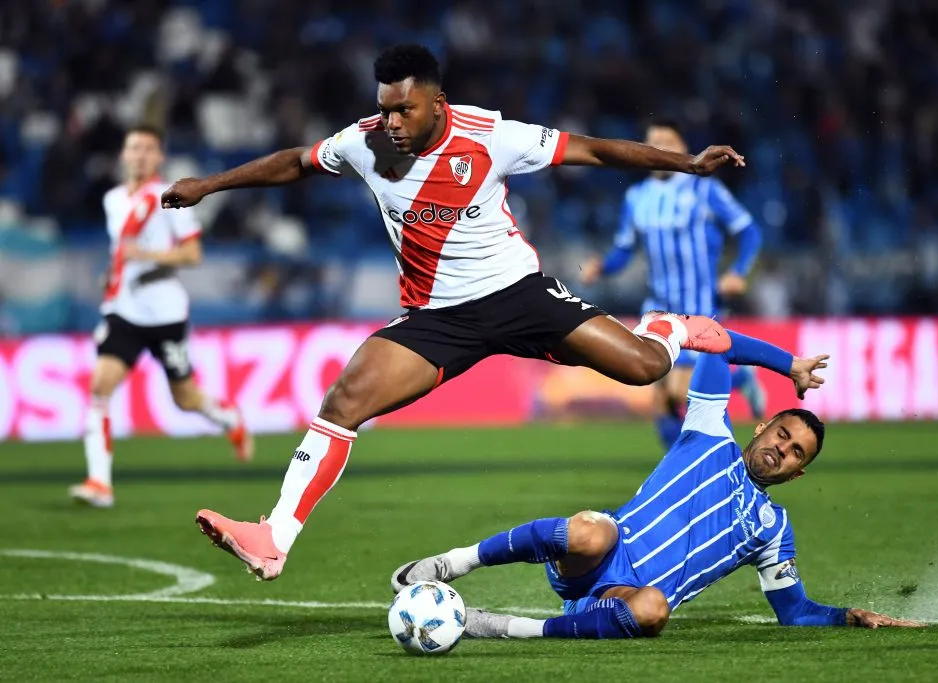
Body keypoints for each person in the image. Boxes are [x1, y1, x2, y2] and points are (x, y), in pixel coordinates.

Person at [161, 44, 745, 580]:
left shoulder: (492, 135)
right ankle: (274, 536)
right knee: (344, 401)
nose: (391, 123)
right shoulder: (363, 142)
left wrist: (686, 163)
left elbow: (590, 149)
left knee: (645, 367)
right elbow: (294, 162)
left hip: (519, 295)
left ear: (437, 104)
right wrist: (209, 186)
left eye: (404, 111)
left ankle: (669, 329)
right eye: (385, 109)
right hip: (437, 317)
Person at [392, 326, 923, 638]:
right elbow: (717, 345)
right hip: (594, 558)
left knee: (654, 612)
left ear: (798, 472)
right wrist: (789, 365)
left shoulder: (773, 528)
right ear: (762, 426)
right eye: (782, 435)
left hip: (626, 596)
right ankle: (455, 562)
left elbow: (794, 611)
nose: (781, 449)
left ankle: (501, 627)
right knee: (594, 529)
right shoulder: (709, 431)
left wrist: (848, 617)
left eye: (794, 453)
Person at [69, 125, 253, 509]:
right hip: (124, 311)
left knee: (185, 399)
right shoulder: (114, 200)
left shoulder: (169, 198)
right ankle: (99, 483)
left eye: (147, 149)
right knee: (100, 386)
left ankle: (228, 418)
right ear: (123, 155)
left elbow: (192, 255)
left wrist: (147, 260)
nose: (139, 155)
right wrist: (116, 272)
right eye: (133, 148)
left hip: (165, 315)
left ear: (159, 157)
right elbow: (122, 251)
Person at [581, 119, 766, 448]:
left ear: (683, 148)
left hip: (700, 306)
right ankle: (678, 474)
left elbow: (749, 231)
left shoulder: (705, 189)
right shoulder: (636, 197)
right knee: (661, 402)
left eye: (667, 140)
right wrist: (603, 267)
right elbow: (625, 249)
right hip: (657, 307)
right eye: (653, 142)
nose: (659, 147)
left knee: (680, 394)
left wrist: (738, 271)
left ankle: (740, 380)